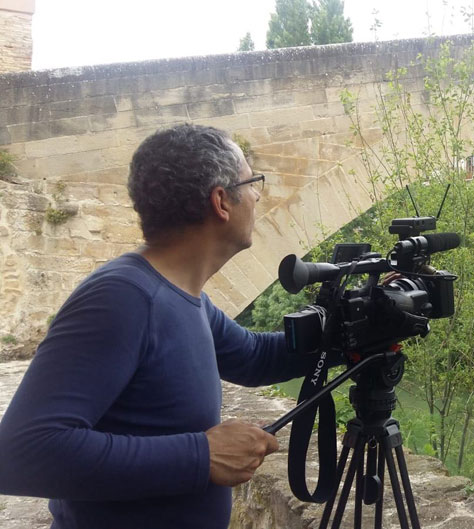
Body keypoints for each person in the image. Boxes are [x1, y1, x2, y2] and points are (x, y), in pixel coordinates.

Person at [0, 123, 315, 528]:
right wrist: (201, 456)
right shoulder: (123, 298)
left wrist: (349, 331)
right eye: (252, 181)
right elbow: (22, 454)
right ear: (221, 201)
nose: (256, 195)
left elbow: (254, 357)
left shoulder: (182, 296)